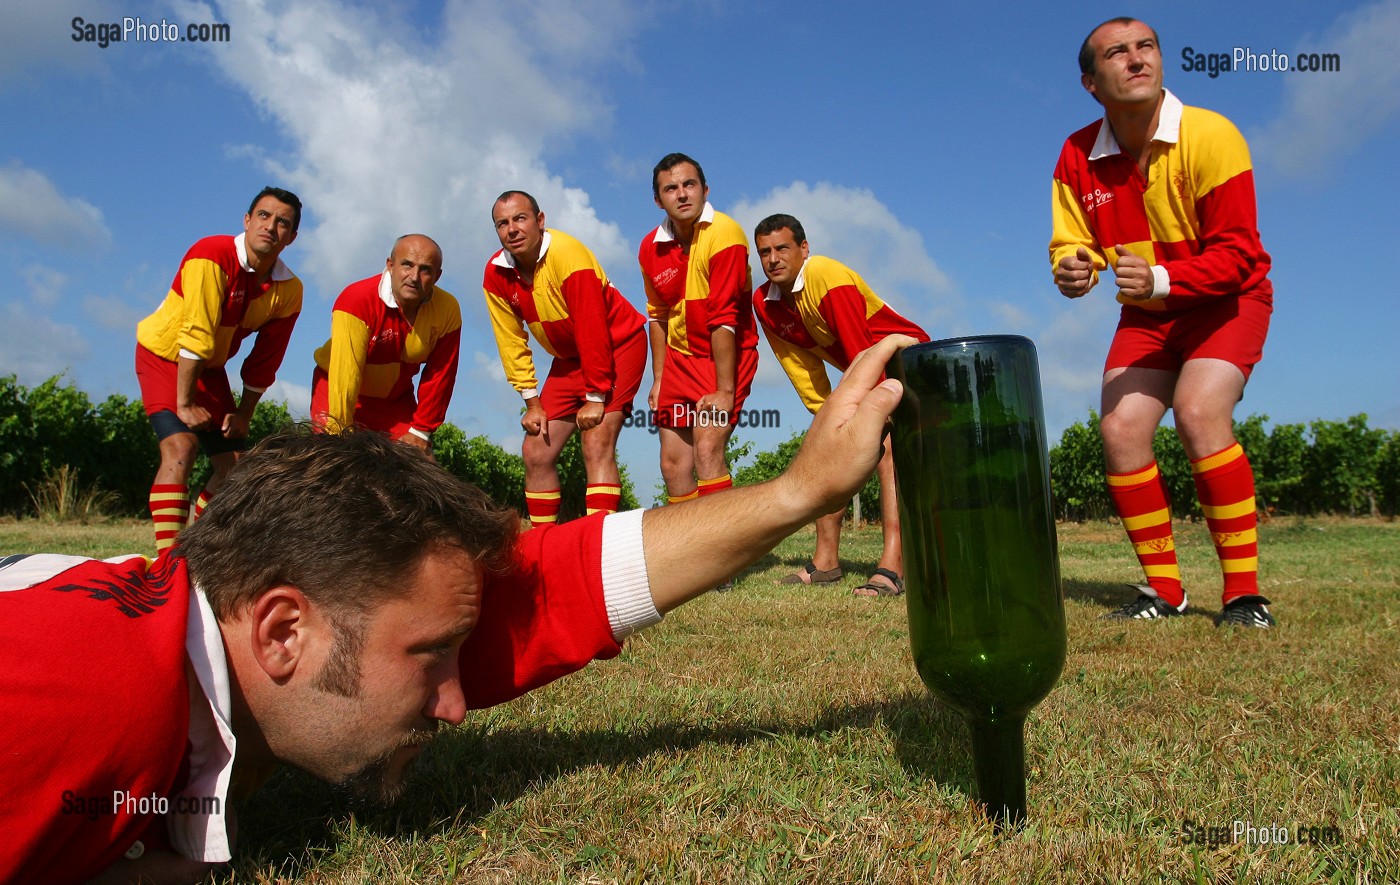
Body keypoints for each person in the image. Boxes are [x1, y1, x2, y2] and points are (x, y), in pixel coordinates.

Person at [0, 335, 916, 885]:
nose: (455, 702)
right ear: (282, 630)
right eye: (433, 655)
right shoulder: (89, 699)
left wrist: (797, 493)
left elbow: (553, 586)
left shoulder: (244, 641)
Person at [1050, 17, 1275, 627]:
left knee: (1200, 414)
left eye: (1145, 46)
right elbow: (1072, 243)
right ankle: (1165, 591)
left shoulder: (1211, 134)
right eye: (1116, 53)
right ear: (1091, 83)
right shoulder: (1076, 153)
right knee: (1121, 431)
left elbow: (1240, 256)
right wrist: (1072, 268)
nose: (1136, 59)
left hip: (1226, 302)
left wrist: (1160, 280)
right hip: (1147, 315)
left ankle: (1243, 596)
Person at [752, 214, 930, 597]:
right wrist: (826, 418)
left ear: (804, 248)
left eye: (782, 248)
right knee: (827, 451)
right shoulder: (764, 303)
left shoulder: (827, 278)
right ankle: (826, 563)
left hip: (908, 364)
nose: (773, 259)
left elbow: (861, 349)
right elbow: (799, 366)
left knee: (886, 455)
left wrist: (871, 414)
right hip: (863, 369)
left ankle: (894, 565)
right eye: (764, 252)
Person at [135, 186, 303, 552]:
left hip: (208, 367)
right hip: (165, 355)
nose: (270, 227)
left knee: (238, 466)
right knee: (181, 446)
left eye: (282, 222)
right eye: (263, 216)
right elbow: (197, 331)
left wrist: (244, 414)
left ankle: (197, 544)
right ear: (246, 220)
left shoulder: (289, 290)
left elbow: (266, 358)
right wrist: (183, 404)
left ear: (291, 237)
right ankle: (169, 562)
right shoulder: (211, 253)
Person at [483, 191, 646, 524]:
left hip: (617, 345)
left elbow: (592, 327)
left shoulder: (568, 253)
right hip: (570, 358)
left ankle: (599, 546)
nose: (512, 229)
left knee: (596, 441)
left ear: (540, 221)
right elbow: (510, 340)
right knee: (535, 451)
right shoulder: (495, 274)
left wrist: (596, 396)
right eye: (503, 223)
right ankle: (545, 546)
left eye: (520, 218)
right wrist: (532, 402)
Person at [638, 153, 759, 508]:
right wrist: (659, 379)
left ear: (705, 189)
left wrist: (725, 389)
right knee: (672, 463)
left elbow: (723, 317)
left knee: (707, 448)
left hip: (724, 356)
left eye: (689, 184)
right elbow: (657, 315)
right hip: (677, 359)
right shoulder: (649, 247)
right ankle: (691, 553)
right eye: (671, 188)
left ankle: (722, 554)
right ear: (658, 200)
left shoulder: (725, 233)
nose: (682, 194)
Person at [311, 234, 461, 454]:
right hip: (338, 393)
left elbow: (441, 375)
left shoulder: (448, 309)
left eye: (425, 270)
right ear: (390, 265)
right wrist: (338, 433)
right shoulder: (356, 299)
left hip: (395, 401)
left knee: (421, 468)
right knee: (336, 465)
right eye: (407, 265)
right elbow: (346, 375)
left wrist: (421, 431)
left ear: (437, 276)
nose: (414, 277)